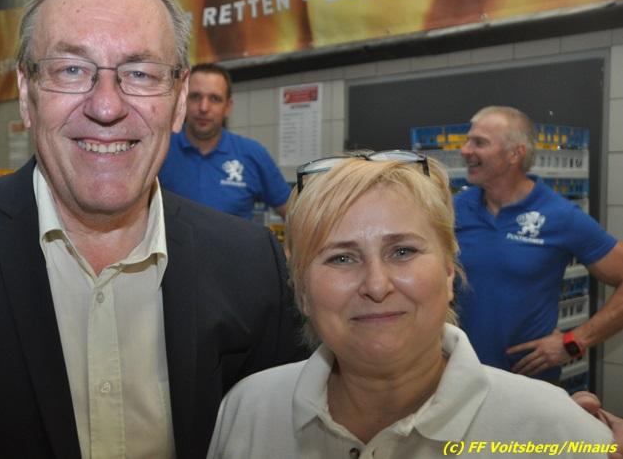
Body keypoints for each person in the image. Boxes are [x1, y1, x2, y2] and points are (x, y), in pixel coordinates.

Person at [0, 0, 306, 458]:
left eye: (140, 73)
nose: (106, 107)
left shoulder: (251, 268)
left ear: (178, 99)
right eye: (71, 69)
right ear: (26, 94)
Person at [206, 152, 615, 458]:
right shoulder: (249, 411)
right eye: (341, 258)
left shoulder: (554, 432)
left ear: (450, 273)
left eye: (402, 251)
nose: (376, 285)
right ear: (302, 292)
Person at [456, 106, 623, 381]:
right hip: (461, 376)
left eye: (479, 143)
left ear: (515, 154)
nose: (465, 150)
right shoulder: (454, 210)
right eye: (467, 140)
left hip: (527, 382)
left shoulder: (560, 215)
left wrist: (574, 341)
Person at [158, 63, 291, 219]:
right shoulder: (160, 149)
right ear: (183, 100)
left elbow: (294, 214)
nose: (203, 107)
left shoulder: (253, 154)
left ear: (227, 107)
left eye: (214, 99)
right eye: (195, 97)